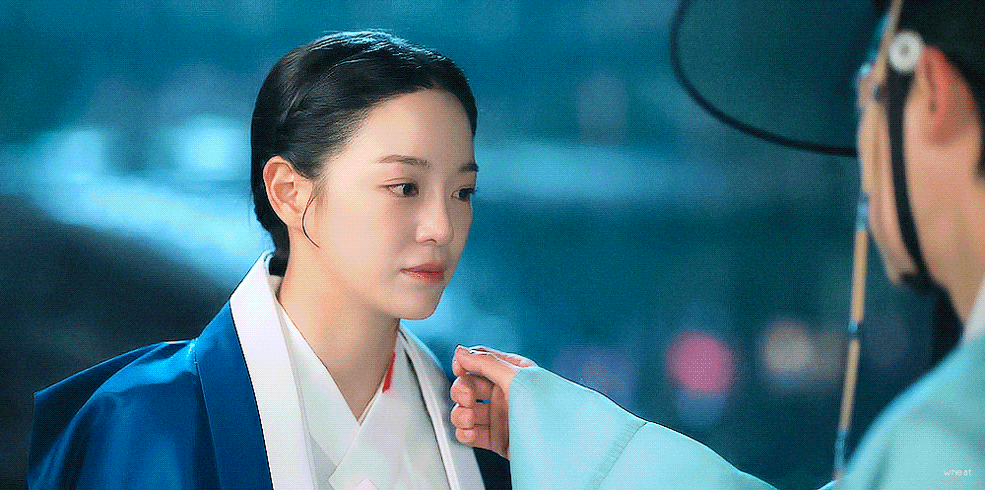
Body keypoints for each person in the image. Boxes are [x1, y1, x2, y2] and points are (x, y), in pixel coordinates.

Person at [449, 0, 985, 488]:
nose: (863, 144)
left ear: (933, 92)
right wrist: (555, 432)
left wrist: (563, 437)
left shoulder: (949, 440)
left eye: (868, 94)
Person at [27, 31, 510, 489]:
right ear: (289, 192)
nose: (442, 228)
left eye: (462, 192)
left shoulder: (487, 430)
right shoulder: (146, 421)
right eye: (404, 187)